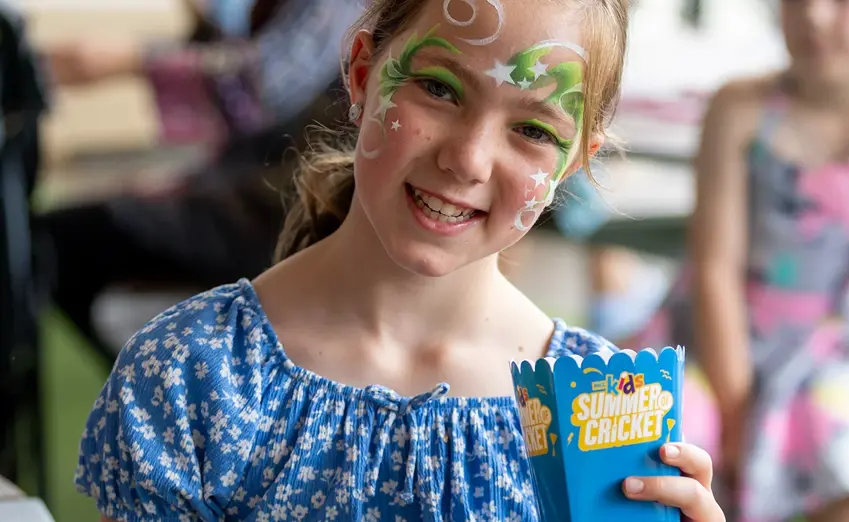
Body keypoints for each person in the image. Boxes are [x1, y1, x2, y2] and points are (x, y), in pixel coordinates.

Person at [73, 0, 725, 519]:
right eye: (440, 90)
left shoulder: (599, 417)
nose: (468, 158)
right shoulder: (197, 373)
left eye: (532, 130)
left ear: (575, 162)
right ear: (361, 73)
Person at [624, 0, 849, 520]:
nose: (812, 15)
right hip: (709, 340)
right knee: (656, 456)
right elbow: (715, 271)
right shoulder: (739, 107)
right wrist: (738, 416)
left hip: (824, 349)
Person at [37, 0, 364, 360]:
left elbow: (258, 87)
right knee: (68, 236)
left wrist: (128, 61)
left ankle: (150, 380)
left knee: (56, 241)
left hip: (284, 219)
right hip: (256, 203)